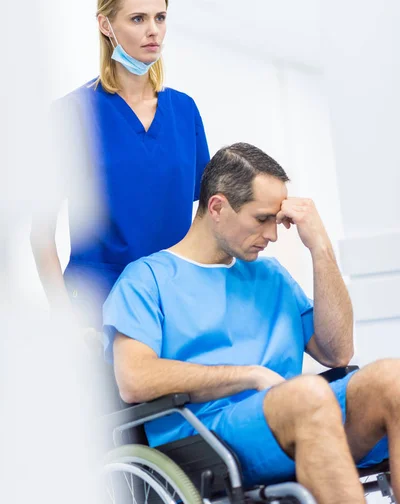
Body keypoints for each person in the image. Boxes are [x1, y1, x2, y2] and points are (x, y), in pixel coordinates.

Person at [103, 142, 398, 504]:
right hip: (206, 435)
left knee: (391, 379)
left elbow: (337, 352)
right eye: (262, 219)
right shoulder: (147, 280)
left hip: (300, 414)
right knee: (308, 395)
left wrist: (320, 247)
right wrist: (249, 374)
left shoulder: (270, 276)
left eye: (277, 220)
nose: (273, 235)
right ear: (217, 207)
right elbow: (135, 379)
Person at [30, 0, 210, 329]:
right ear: (105, 25)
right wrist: (64, 317)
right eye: (138, 18)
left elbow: (207, 215)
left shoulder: (184, 110)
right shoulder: (71, 114)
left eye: (160, 18)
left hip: (172, 298)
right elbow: (40, 231)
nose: (153, 30)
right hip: (96, 304)